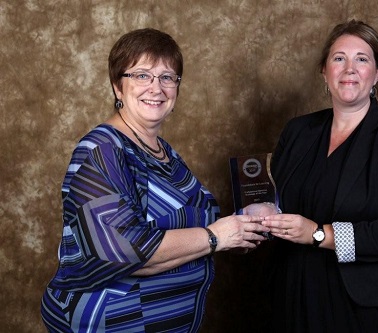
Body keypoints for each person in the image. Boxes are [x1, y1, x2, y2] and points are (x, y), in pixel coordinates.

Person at [40, 28, 271, 332]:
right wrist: (216, 237)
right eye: (142, 75)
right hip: (111, 321)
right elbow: (124, 251)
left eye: (167, 77)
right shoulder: (102, 151)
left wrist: (242, 225)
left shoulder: (163, 152)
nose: (156, 88)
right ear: (117, 87)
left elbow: (185, 224)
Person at [261, 20, 378, 332]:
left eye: (362, 59)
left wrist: (318, 234)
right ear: (324, 71)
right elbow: (276, 199)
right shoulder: (298, 131)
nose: (350, 69)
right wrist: (259, 218)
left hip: (375, 302)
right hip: (297, 291)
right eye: (339, 58)